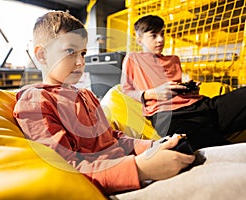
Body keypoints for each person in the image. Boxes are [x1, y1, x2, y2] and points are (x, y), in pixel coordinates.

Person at [13, 11, 196, 195]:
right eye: (70, 51)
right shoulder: (35, 102)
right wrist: (141, 168)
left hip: (133, 166)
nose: (80, 62)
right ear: (42, 55)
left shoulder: (87, 95)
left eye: (83, 53)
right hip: (111, 185)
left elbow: (113, 138)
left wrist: (151, 146)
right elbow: (66, 168)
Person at [121, 15, 246, 151]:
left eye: (162, 34)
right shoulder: (133, 58)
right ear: (139, 40)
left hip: (201, 106)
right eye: (154, 35)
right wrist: (152, 93)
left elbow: (175, 88)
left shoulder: (174, 59)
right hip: (170, 116)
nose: (160, 40)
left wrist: (188, 89)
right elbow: (126, 89)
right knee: (213, 148)